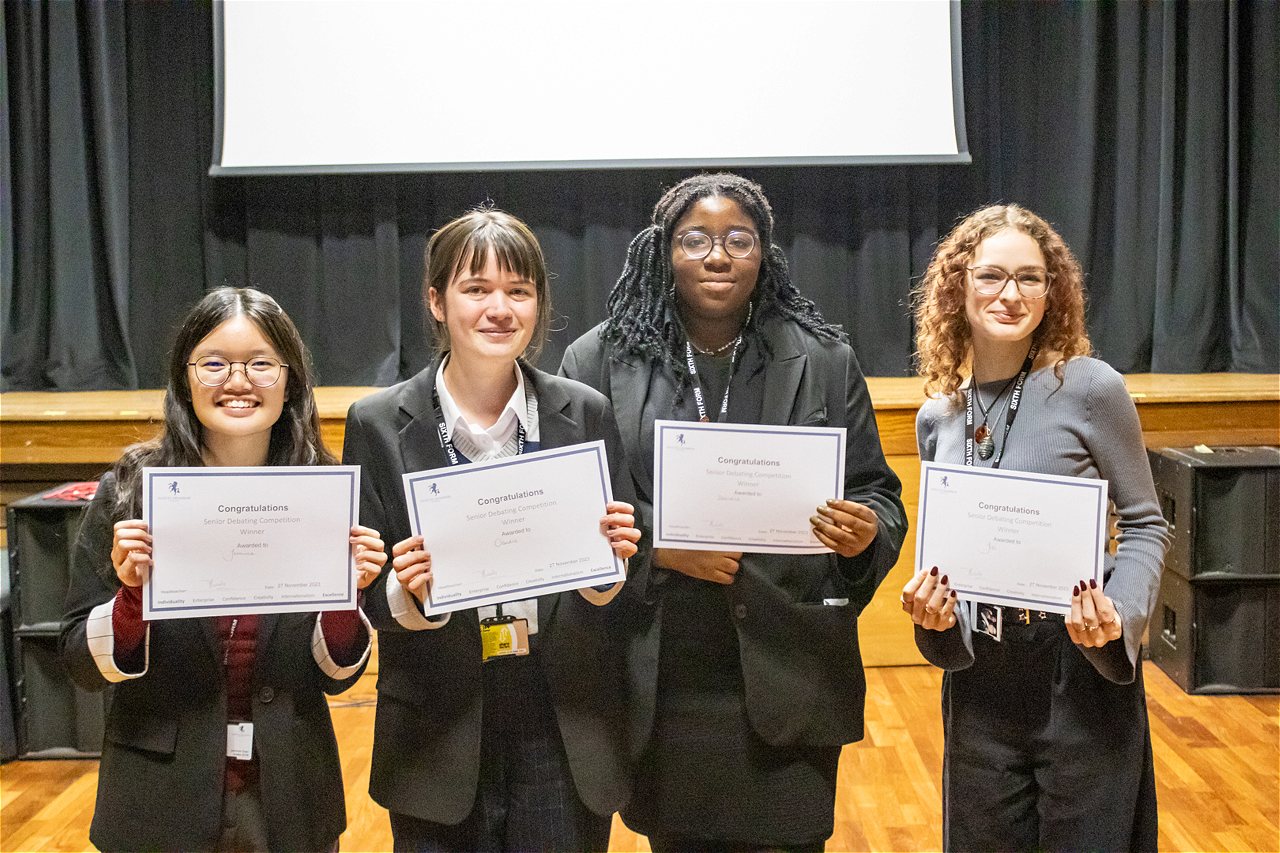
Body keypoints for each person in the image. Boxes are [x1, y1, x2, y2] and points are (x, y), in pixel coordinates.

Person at [561, 172, 907, 852]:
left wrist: (865, 533)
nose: (718, 256)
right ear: (664, 250)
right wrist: (660, 547)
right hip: (665, 673)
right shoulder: (599, 359)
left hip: (792, 667)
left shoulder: (825, 359)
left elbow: (877, 492)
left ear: (764, 253)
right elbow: (579, 505)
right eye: (695, 240)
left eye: (739, 240)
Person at [342, 208, 642, 852]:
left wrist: (609, 565)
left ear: (539, 303)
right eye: (476, 289)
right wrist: (404, 591)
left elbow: (617, 588)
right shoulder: (376, 423)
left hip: (563, 724)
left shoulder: (585, 411)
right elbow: (363, 590)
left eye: (518, 290)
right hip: (436, 733)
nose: (499, 309)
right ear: (436, 300)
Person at [60, 287, 387, 852]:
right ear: (184, 378)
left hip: (290, 795)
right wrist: (132, 600)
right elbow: (78, 663)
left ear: (290, 381)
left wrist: (347, 595)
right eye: (214, 364)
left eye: (261, 364)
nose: (238, 382)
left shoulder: (323, 495)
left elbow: (337, 676)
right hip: (159, 801)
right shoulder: (131, 492)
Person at [902, 204, 1169, 851]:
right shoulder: (938, 416)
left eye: (1030, 277)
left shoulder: (1091, 388)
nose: (1011, 294)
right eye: (992, 275)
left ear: (1053, 291)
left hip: (1077, 669)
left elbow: (1145, 525)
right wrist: (933, 616)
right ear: (959, 285)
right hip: (980, 682)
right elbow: (947, 560)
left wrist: (1119, 617)